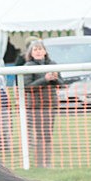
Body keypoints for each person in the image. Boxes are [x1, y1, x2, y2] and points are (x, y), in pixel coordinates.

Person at [23, 39, 64, 168]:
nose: (38, 51)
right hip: (36, 106)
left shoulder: (53, 64)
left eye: (40, 49)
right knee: (40, 134)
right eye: (35, 49)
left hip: (50, 105)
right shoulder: (28, 66)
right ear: (31, 53)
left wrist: (55, 79)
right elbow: (27, 87)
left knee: (48, 134)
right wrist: (44, 79)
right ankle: (41, 164)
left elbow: (62, 85)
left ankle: (48, 163)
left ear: (45, 51)